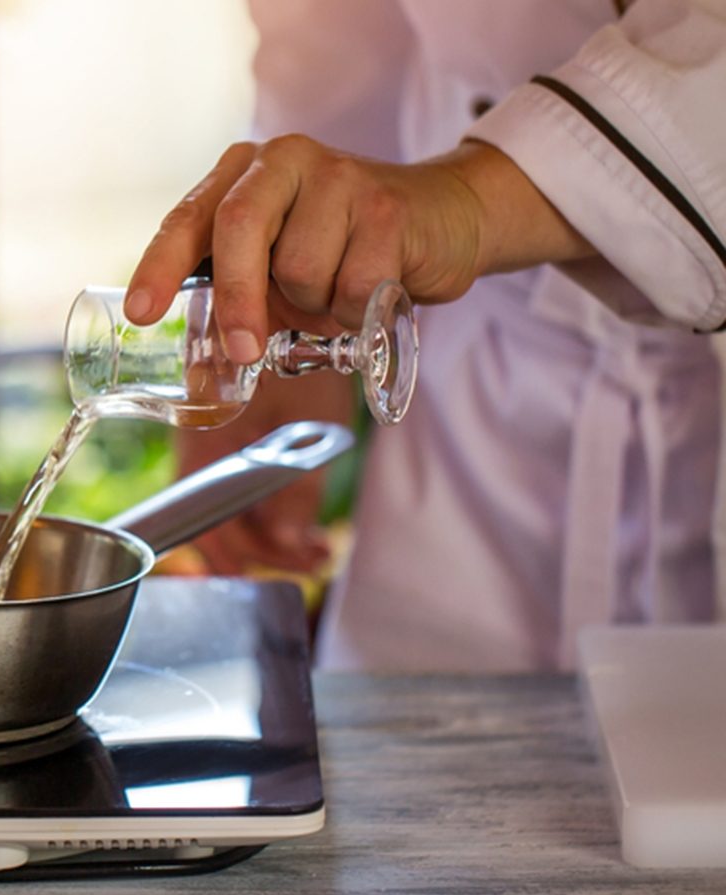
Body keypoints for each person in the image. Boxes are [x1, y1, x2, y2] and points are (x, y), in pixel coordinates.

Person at [125, 0, 726, 670]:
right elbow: (335, 29)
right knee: (393, 755)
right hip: (466, 419)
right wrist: (302, 264)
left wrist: (473, 199)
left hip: (707, 405)